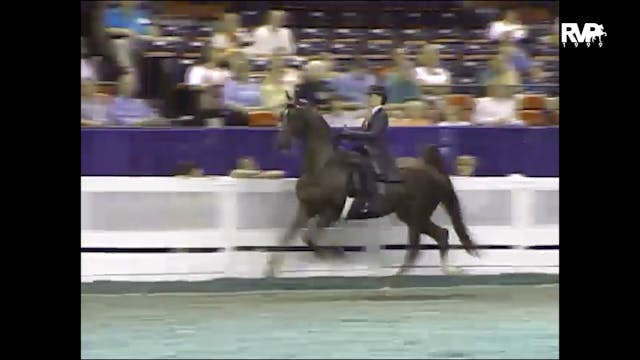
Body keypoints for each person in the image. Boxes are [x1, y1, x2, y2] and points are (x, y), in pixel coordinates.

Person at [338, 85, 402, 215]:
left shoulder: (381, 115)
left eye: (371, 96)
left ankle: (371, 197)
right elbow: (363, 132)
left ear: (379, 98)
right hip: (366, 148)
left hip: (375, 151)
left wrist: (351, 133)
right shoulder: (370, 115)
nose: (369, 99)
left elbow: (373, 134)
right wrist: (348, 135)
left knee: (363, 165)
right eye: (369, 96)